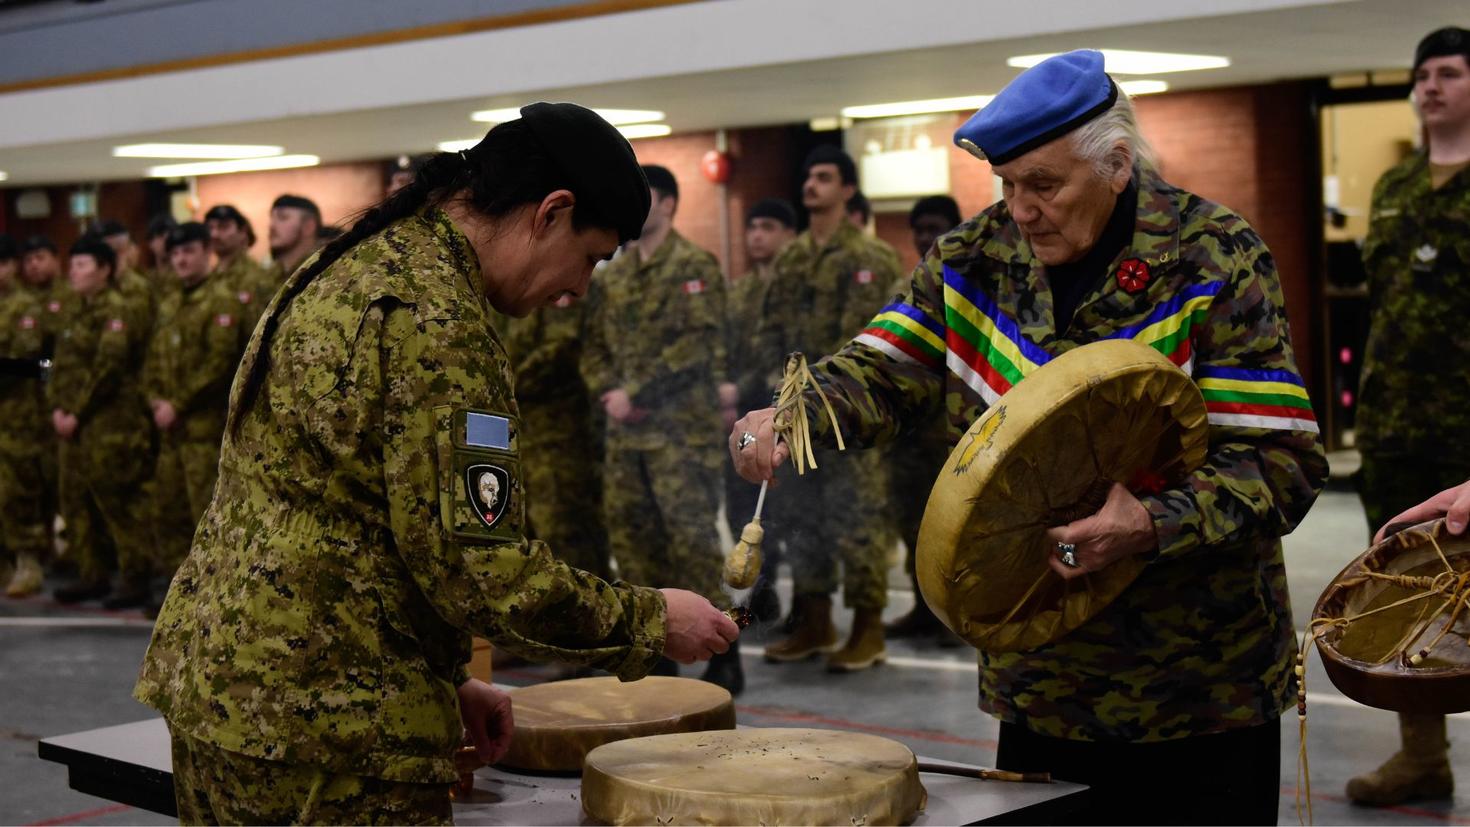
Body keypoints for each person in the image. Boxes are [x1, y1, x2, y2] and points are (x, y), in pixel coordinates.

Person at [732, 50, 1326, 825]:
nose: (1021, 209)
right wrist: (794, 413)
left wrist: (1153, 522)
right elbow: (881, 369)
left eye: (1044, 185)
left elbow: (1281, 461)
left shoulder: (1212, 257)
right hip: (1043, 679)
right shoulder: (974, 261)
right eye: (1007, 184)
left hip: (1199, 687)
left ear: (1117, 165)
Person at [134, 103, 737, 825]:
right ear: (551, 212)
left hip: (226, 691)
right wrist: (650, 619)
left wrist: (445, 675)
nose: (578, 290)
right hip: (335, 732)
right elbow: (485, 573)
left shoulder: (352, 264)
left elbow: (351, 514)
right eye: (590, 258)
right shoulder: (441, 321)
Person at [1347, 25, 1470, 809]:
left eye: (1450, 72)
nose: (1431, 86)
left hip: (1465, 421)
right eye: (1423, 74)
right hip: (1395, 422)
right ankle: (1422, 755)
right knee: (1405, 590)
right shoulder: (1394, 187)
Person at [581, 164, 742, 694]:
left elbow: (697, 345)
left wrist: (638, 393)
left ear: (669, 204)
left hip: (680, 434)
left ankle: (726, 648)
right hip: (627, 438)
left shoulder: (695, 266)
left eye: (646, 195)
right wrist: (610, 393)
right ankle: (655, 651)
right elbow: (593, 346)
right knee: (634, 544)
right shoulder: (614, 274)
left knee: (692, 542)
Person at [754, 146, 900, 672]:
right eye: (808, 176)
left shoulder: (872, 257)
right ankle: (815, 622)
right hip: (799, 416)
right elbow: (770, 329)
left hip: (854, 414)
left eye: (823, 177)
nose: (811, 185)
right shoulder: (792, 258)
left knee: (859, 520)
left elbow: (876, 341)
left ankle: (868, 629)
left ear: (848, 190)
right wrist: (776, 384)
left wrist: (825, 390)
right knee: (804, 517)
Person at [46, 238, 155, 608]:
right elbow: (59, 365)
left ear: (105, 269)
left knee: (116, 500)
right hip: (71, 423)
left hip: (108, 422)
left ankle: (135, 577)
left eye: (82, 265)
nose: (73, 272)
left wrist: (76, 412)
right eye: (72, 264)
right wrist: (57, 408)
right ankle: (91, 574)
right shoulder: (74, 311)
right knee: (74, 499)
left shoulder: (117, 309)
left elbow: (108, 367)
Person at [142, 221, 249, 590]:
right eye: (174, 253)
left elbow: (219, 363)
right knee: (167, 513)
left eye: (188, 251)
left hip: (204, 431)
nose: (181, 260)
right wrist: (156, 400)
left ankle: (211, 591)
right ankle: (179, 592)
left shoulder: (221, 299)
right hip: (170, 432)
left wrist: (178, 403)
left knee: (206, 515)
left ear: (207, 252)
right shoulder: (170, 302)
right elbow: (153, 358)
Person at [884, 195, 965, 646]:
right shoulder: (908, 285)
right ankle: (922, 608)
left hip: (949, 430)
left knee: (950, 529)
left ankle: (953, 619)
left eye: (934, 227)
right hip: (907, 428)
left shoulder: (969, 286)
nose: (924, 237)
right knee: (910, 523)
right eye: (918, 229)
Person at [724, 198, 797, 623]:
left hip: (787, 418)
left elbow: (795, 354)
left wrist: (748, 385)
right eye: (752, 227)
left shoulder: (796, 289)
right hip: (743, 416)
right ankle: (760, 596)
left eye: (767, 227)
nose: (756, 236)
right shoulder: (741, 292)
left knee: (785, 514)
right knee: (742, 505)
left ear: (789, 235)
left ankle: (802, 608)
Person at [0, 234, 50, 598]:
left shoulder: (25, 306)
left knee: (18, 491)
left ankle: (28, 561)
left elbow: (27, 362)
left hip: (17, 416)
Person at [204, 204, 269, 331]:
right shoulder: (209, 277)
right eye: (210, 228)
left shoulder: (257, 277)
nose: (214, 234)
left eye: (223, 227)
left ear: (243, 232)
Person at [267, 194, 323, 285]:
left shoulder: (324, 268)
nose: (271, 226)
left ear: (308, 226)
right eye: (272, 218)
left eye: (283, 217)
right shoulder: (269, 274)